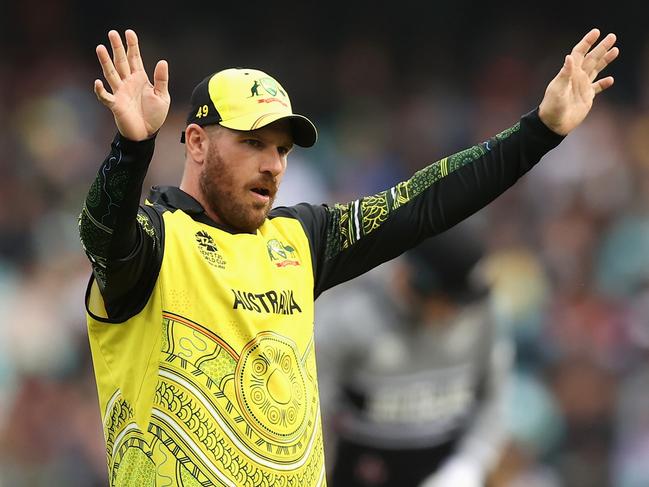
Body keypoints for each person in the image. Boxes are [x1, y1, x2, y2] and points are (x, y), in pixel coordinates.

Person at [78, 28, 618, 486]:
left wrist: (539, 131)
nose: (273, 165)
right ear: (196, 143)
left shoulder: (298, 240)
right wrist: (131, 149)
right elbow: (102, 232)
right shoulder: (150, 243)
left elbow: (422, 204)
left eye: (282, 149)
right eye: (252, 143)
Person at [315, 222, 511, 487]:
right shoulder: (348, 319)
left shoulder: (480, 313)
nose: (459, 314)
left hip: (444, 472)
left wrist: (469, 465)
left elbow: (493, 400)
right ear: (415, 281)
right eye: (450, 301)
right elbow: (312, 419)